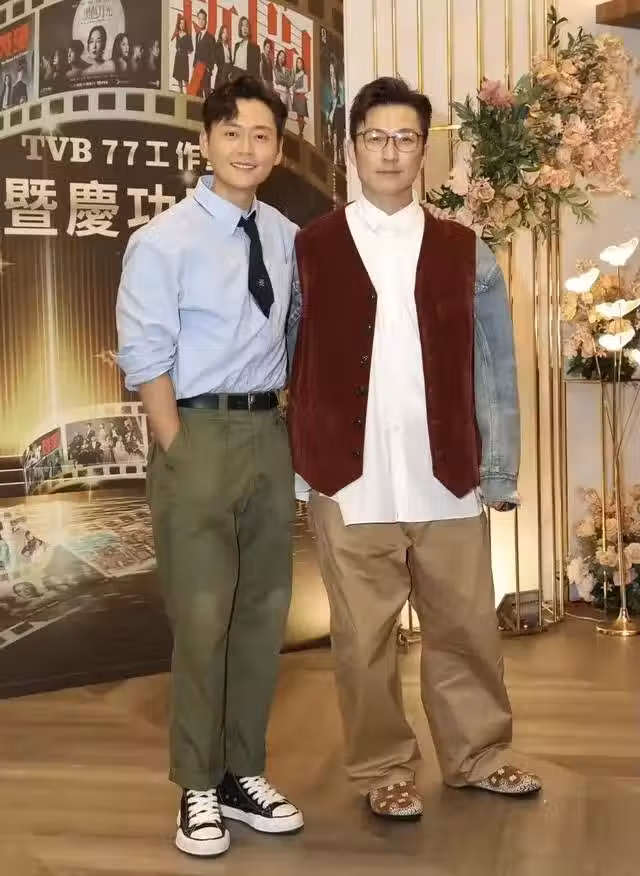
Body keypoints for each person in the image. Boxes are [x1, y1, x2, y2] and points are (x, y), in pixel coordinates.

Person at [287, 76, 542, 820]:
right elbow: (290, 358)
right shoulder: (312, 246)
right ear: (352, 148)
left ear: (423, 150)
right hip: (350, 477)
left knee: (465, 627)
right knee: (362, 640)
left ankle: (478, 755)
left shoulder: (466, 250)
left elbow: (495, 365)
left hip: (447, 474)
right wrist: (303, 468)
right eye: (377, 137)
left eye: (405, 138)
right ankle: (383, 769)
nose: (391, 151)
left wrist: (498, 468)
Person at [116, 74, 303, 857]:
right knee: (201, 621)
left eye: (261, 135)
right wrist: (176, 444)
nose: (246, 148)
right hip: (194, 433)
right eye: (231, 132)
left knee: (262, 615)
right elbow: (145, 353)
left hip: (268, 433)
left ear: (278, 148)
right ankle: (196, 783)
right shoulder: (164, 240)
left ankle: (241, 773)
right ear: (205, 141)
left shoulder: (287, 235)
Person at [193, 9, 215, 96]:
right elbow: (196, 52)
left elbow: (212, 55)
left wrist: (209, 68)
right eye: (199, 19)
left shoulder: (211, 38)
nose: (201, 21)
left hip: (206, 70)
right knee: (197, 94)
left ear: (206, 21)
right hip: (197, 69)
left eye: (203, 19)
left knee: (207, 94)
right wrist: (194, 66)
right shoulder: (197, 35)